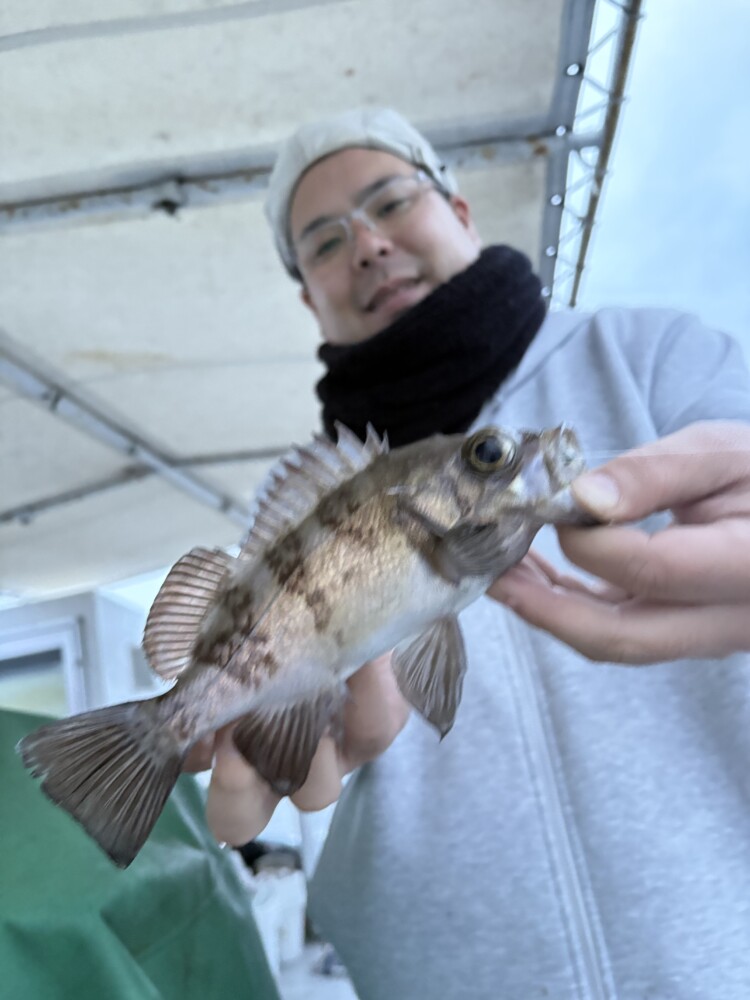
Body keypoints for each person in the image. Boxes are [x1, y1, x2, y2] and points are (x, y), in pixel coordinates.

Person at [195, 109, 750, 999]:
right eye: (326, 241)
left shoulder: (655, 357)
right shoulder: (309, 504)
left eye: (389, 201)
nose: (368, 244)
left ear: (459, 209)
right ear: (309, 293)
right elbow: (306, 742)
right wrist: (274, 730)